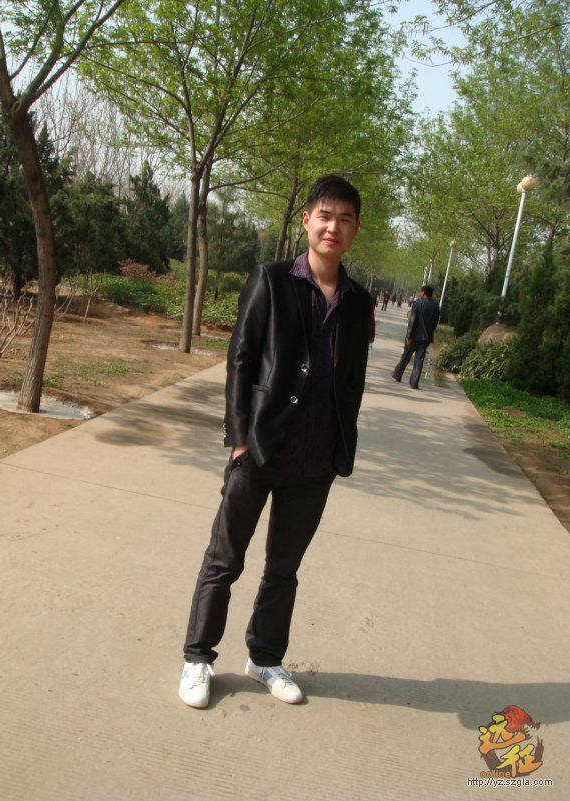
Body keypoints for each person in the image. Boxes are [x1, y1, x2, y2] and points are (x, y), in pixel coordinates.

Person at [179, 175, 373, 708]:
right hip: (260, 449)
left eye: (345, 219)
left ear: (355, 229)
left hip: (316, 462)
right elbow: (241, 360)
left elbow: (352, 380)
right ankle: (198, 658)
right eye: (325, 216)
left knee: (283, 569)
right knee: (224, 560)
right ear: (307, 220)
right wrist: (239, 437)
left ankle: (265, 658)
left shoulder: (359, 301)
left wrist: (340, 446)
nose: (333, 227)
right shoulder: (271, 279)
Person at [391, 285, 440, 389]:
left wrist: (409, 335)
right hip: (426, 337)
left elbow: (412, 320)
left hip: (414, 336)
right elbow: (435, 323)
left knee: (406, 355)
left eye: (420, 292)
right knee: (419, 359)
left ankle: (398, 374)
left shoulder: (418, 303)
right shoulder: (436, 306)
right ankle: (414, 382)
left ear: (424, 292)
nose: (419, 293)